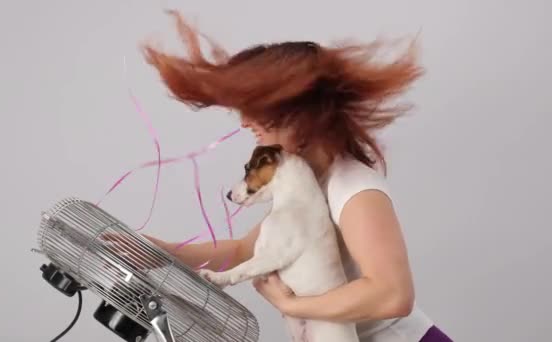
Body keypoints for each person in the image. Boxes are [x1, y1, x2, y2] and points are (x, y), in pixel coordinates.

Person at [139, 10, 452, 342]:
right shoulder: (307, 180)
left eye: (254, 108)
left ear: (298, 113)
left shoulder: (354, 189)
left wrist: (293, 305)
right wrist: (162, 253)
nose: (244, 122)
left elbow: (392, 295)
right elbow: (245, 250)